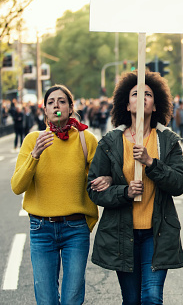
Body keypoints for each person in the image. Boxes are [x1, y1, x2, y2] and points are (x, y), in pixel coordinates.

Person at [87, 70, 183, 304]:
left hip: (157, 232)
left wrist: (151, 163)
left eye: (148, 94)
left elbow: (179, 183)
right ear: (127, 104)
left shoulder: (167, 141)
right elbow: (93, 190)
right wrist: (124, 192)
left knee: (152, 297)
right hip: (122, 234)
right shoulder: (110, 142)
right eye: (135, 94)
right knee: (131, 300)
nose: (141, 98)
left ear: (155, 106)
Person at [11, 84, 99, 305]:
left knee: (72, 299)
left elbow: (102, 176)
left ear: (71, 108)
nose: (56, 106)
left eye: (61, 101)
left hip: (75, 229)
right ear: (45, 110)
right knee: (47, 300)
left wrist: (105, 180)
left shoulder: (86, 140)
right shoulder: (33, 140)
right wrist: (35, 155)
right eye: (51, 102)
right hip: (41, 229)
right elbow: (17, 186)